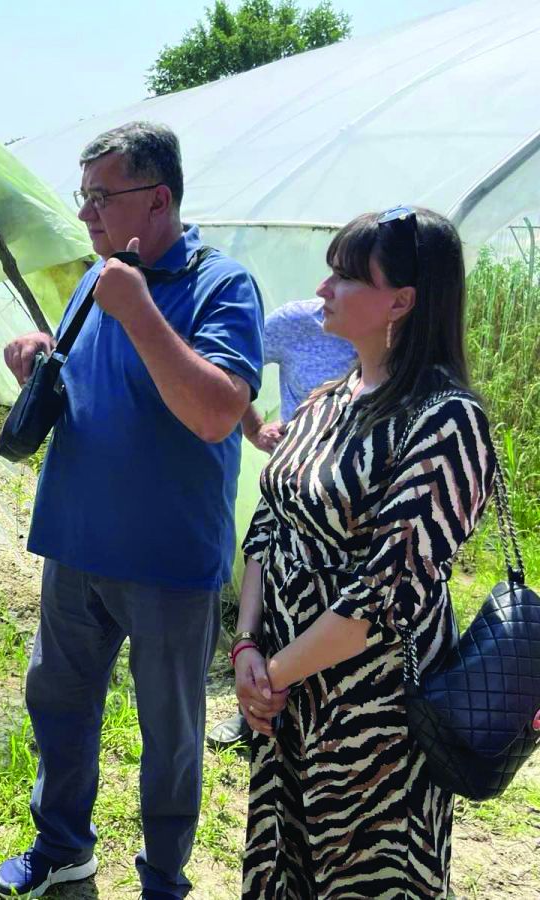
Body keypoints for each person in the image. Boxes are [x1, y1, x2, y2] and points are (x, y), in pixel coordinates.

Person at [0, 122, 264, 900]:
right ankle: (62, 846)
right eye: (84, 198)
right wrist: (38, 360)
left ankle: (164, 880)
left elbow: (216, 412)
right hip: (77, 543)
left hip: (169, 559)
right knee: (59, 703)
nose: (86, 215)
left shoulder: (222, 285)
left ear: (160, 197)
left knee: (170, 733)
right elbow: (91, 384)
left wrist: (141, 310)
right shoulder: (98, 277)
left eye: (101, 197)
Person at [236, 207, 495, 898]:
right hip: (286, 704)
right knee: (283, 867)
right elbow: (270, 524)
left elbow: (384, 597)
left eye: (346, 276)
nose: (323, 290)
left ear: (402, 302)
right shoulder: (325, 402)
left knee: (369, 880)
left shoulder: (446, 421)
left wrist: (272, 677)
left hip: (374, 722)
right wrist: (245, 648)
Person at [207, 298, 356, 751]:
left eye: (347, 274)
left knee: (334, 617)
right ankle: (257, 711)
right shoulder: (299, 320)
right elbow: (232, 369)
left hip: (351, 507)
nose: (326, 286)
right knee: (278, 599)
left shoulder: (409, 363)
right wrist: (254, 427)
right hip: (293, 494)